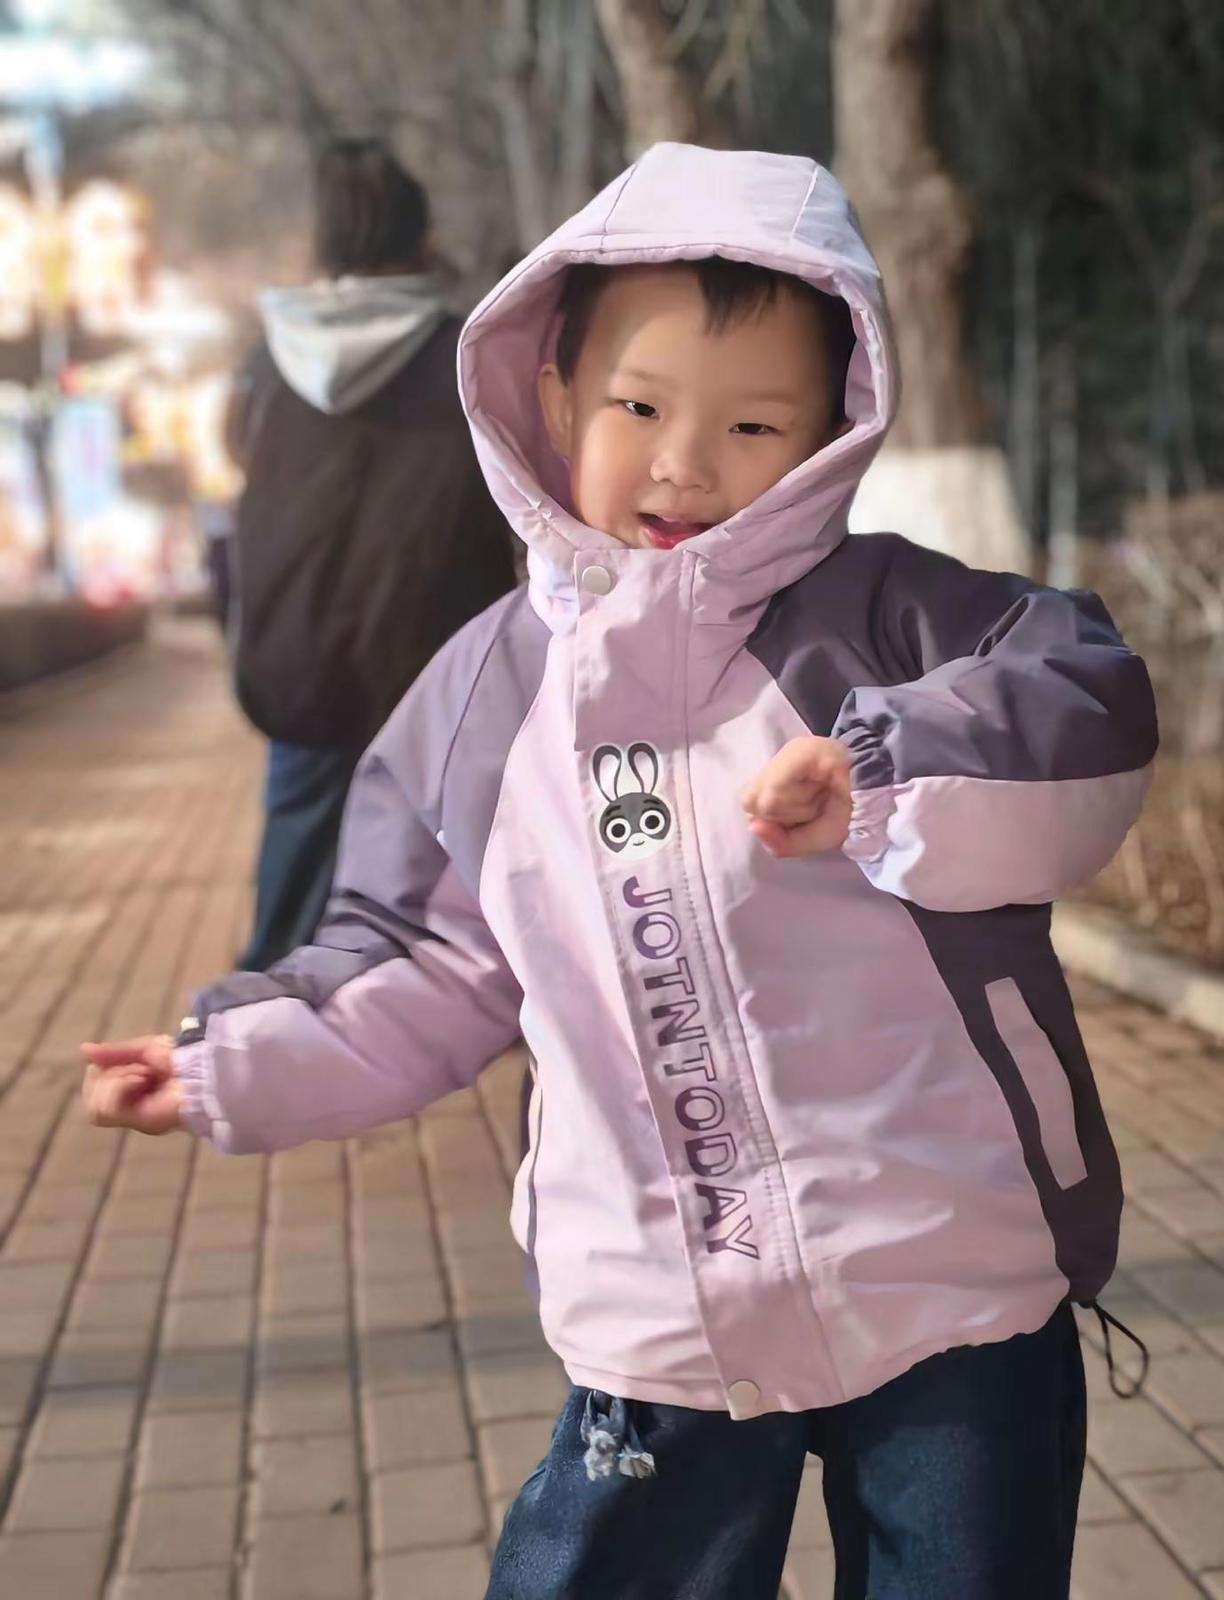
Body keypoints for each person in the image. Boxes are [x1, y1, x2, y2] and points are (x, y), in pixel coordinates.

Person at [82, 144, 1157, 1600]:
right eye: (638, 407)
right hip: (661, 1305)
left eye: (754, 424)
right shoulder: (482, 702)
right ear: (552, 396)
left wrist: (885, 768)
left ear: (834, 429)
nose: (683, 465)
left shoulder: (902, 622)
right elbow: (417, 957)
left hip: (945, 1266)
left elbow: (1084, 715)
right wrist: (232, 1062)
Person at [225, 138, 516, 969]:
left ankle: (267, 1017)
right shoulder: (469, 356)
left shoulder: (268, 365)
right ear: (421, 235)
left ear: (325, 240)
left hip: (299, 667)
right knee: (460, 916)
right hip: (439, 674)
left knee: (289, 908)